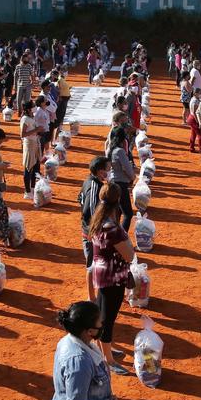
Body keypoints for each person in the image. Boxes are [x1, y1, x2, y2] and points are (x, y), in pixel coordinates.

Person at [88, 183, 135, 374]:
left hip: (101, 274)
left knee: (102, 314)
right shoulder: (113, 228)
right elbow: (130, 255)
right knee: (108, 318)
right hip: (113, 277)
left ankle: (105, 349)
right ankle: (107, 360)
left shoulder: (98, 220)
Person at [79, 157, 111, 302]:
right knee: (91, 265)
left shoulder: (89, 181)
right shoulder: (94, 187)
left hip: (92, 231)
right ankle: (91, 298)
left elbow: (79, 198)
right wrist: (94, 233)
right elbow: (91, 211)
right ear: (99, 171)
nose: (109, 171)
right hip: (92, 233)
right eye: (107, 169)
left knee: (95, 263)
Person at [108, 126, 135, 233]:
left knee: (117, 212)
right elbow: (126, 169)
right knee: (128, 214)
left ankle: (114, 237)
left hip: (113, 182)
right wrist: (133, 178)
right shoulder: (120, 151)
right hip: (121, 185)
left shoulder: (111, 150)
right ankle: (121, 240)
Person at [20, 100, 42, 200]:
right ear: (29, 109)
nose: (34, 107)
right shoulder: (25, 119)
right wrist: (36, 130)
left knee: (35, 167)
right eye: (33, 106)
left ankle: (32, 188)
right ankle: (27, 191)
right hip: (29, 145)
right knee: (28, 168)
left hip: (35, 143)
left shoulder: (31, 117)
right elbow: (22, 134)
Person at [186, 88, 201, 153]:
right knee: (200, 134)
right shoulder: (195, 101)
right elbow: (195, 113)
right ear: (195, 93)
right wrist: (198, 122)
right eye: (199, 92)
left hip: (191, 118)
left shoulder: (194, 99)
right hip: (194, 119)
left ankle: (191, 148)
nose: (200, 94)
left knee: (193, 134)